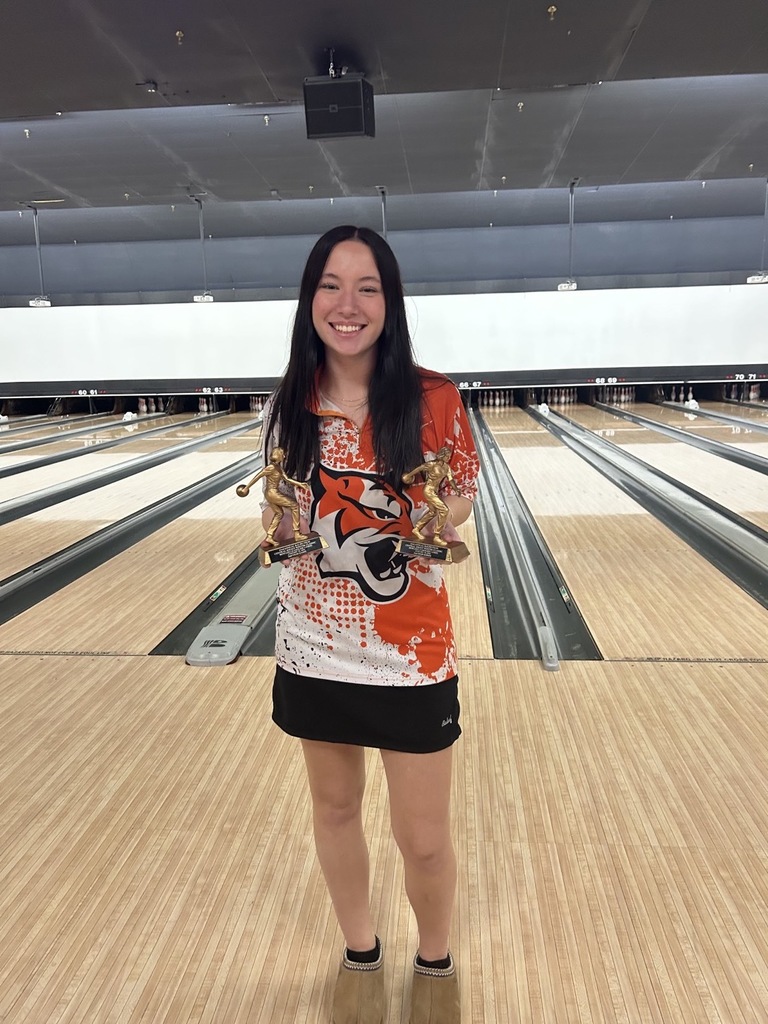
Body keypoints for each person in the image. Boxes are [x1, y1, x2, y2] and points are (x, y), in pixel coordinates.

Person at [261, 225, 479, 1024]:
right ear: (309, 297)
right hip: (314, 644)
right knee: (335, 810)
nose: (346, 305)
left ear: (390, 302)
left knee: (422, 837)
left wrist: (440, 519)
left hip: (411, 653)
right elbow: (284, 508)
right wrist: (281, 532)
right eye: (330, 284)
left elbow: (458, 495)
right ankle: (360, 949)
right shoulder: (292, 399)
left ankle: (436, 957)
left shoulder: (435, 399)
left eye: (367, 288)